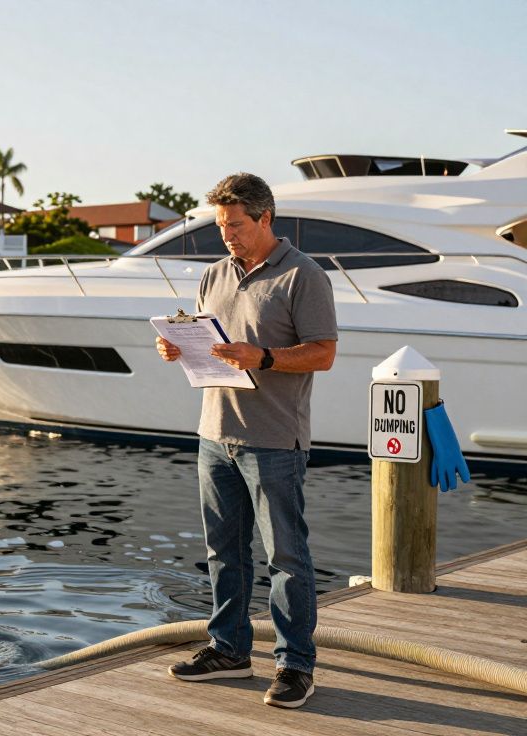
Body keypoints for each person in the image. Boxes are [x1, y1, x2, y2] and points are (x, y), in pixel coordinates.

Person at [155, 172, 337, 709]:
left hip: (275, 439)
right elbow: (207, 343)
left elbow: (324, 353)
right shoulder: (214, 274)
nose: (227, 235)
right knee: (223, 553)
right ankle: (229, 651)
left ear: (265, 219)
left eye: (235, 225)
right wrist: (177, 349)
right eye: (221, 226)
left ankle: (295, 665)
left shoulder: (304, 275)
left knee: (287, 558)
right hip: (214, 434)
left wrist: (264, 357)